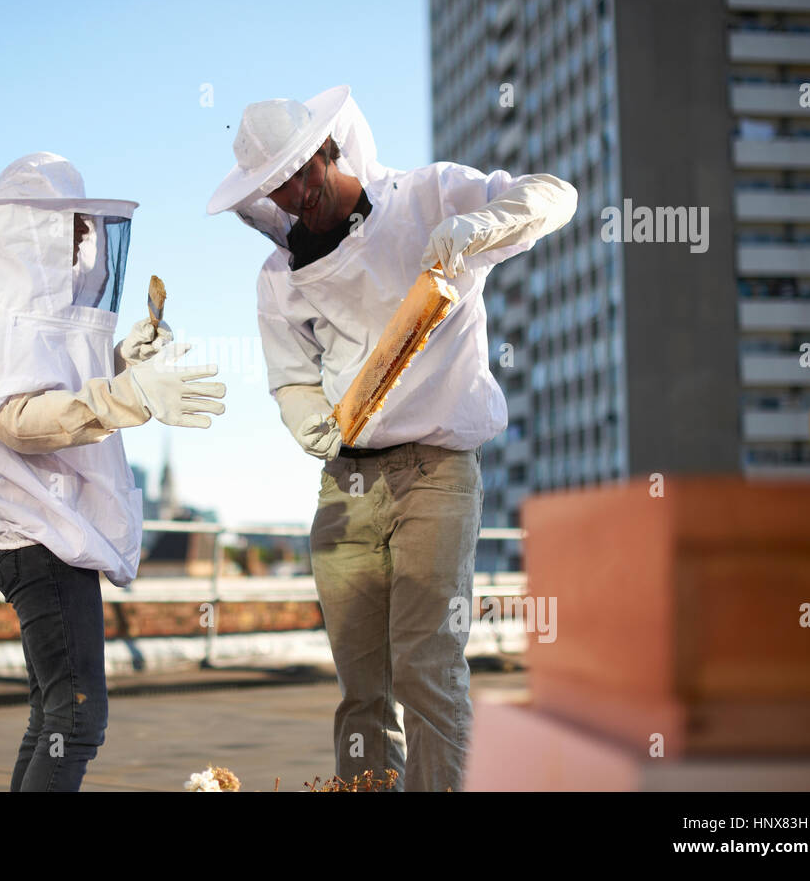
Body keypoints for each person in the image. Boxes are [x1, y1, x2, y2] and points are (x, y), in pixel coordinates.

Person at [207, 86, 577, 791]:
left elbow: (555, 194)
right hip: (345, 482)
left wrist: (483, 225)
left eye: (298, 173)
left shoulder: (431, 196)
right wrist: (306, 417)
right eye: (272, 188)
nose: (290, 196)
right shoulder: (279, 276)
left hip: (437, 469)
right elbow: (290, 378)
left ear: (329, 149)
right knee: (361, 687)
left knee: (426, 668)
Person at [0, 152, 226, 791]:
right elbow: (17, 417)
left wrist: (128, 359)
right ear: (26, 232)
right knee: (77, 720)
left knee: (52, 718)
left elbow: (68, 383)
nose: (82, 242)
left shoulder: (35, 312)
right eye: (68, 228)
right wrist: (127, 396)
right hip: (40, 536)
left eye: (82, 228)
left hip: (46, 530)